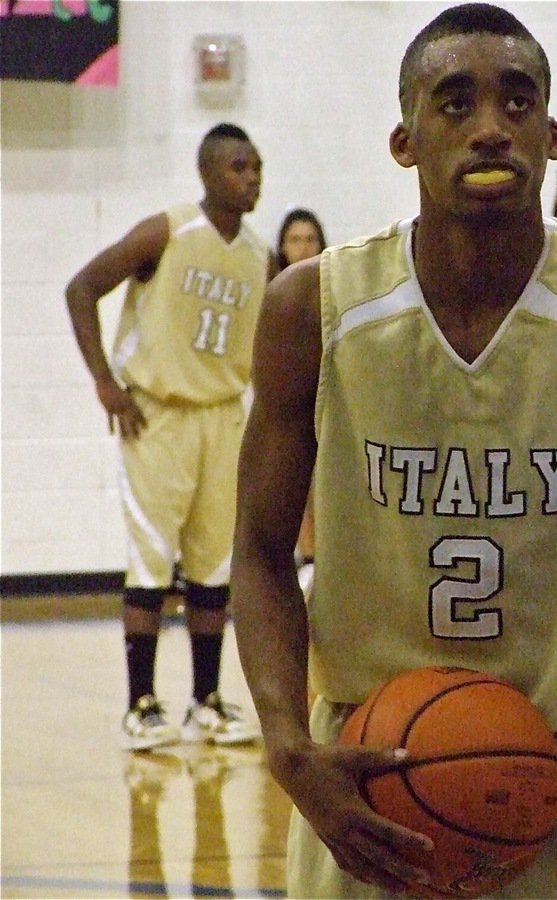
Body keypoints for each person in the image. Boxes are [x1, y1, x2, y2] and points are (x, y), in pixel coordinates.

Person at [229, 5, 557, 898]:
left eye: (517, 101)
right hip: (372, 778)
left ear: (552, 134)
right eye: (455, 104)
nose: (491, 127)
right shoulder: (313, 310)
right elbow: (262, 549)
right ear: (405, 138)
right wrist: (285, 746)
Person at [64, 122, 270, 750]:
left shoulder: (261, 256)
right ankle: (141, 704)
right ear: (208, 173)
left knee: (213, 563)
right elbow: (81, 288)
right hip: (157, 414)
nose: (252, 177)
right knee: (152, 558)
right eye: (239, 166)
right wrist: (105, 381)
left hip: (223, 416)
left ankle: (205, 701)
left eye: (257, 166)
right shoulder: (167, 230)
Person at [273, 207, 329, 594]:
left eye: (310, 239)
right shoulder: (273, 296)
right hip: (281, 409)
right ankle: (293, 562)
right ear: (281, 247)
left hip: (325, 406)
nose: (303, 247)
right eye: (295, 239)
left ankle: (317, 563)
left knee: (322, 485)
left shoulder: (334, 295)